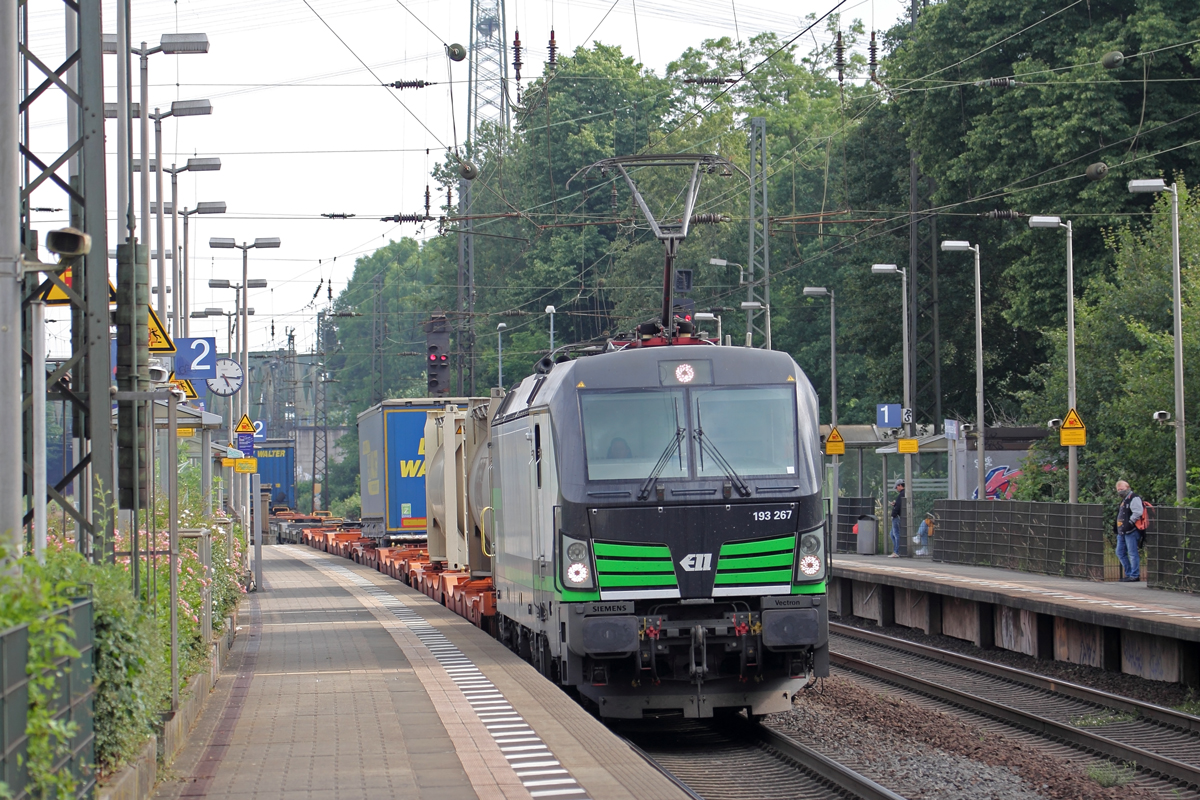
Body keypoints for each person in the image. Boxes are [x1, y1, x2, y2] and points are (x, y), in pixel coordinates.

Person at [1115, 480, 1144, 582]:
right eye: (1118, 490)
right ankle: (1129, 573)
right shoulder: (1124, 500)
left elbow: (1138, 512)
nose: (1120, 492)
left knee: (1132, 553)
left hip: (1131, 530)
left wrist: (1130, 523)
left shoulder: (1134, 498)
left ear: (1128, 488)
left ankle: (1134, 575)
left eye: (1122, 489)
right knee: (1119, 552)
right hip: (1122, 531)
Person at [889, 480, 904, 558]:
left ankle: (896, 551)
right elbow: (899, 505)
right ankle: (896, 550)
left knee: (896, 534)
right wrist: (895, 504)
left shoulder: (902, 494)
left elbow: (898, 507)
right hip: (898, 516)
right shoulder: (903, 494)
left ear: (900, 485)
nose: (896, 488)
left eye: (897, 487)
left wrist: (893, 514)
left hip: (897, 517)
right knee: (892, 534)